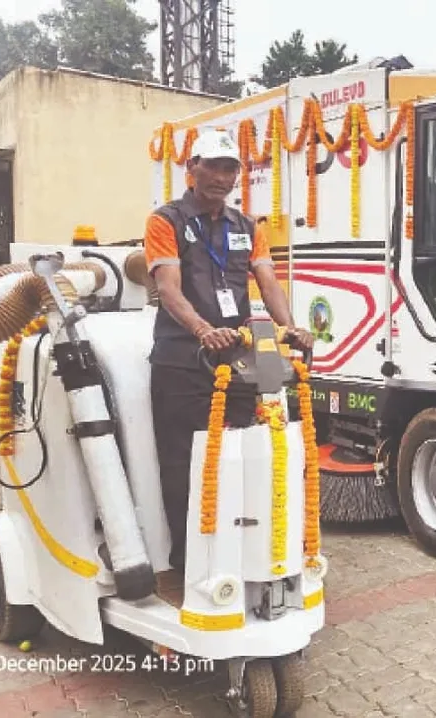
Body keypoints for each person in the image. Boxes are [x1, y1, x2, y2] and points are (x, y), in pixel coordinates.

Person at [143, 128, 315, 576]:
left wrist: (288, 328)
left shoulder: (246, 226)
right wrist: (202, 329)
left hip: (237, 358)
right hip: (183, 359)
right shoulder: (166, 221)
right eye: (213, 166)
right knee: (185, 461)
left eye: (230, 169)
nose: (222, 177)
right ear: (192, 168)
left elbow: (267, 280)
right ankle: (188, 562)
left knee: (240, 455)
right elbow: (167, 288)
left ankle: (239, 554)